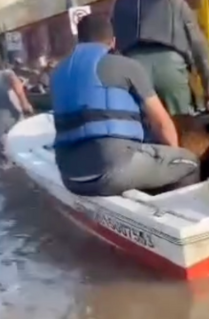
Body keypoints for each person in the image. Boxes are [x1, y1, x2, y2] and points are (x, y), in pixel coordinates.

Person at [50, 13, 200, 197]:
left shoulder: (57, 73)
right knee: (189, 163)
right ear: (113, 42)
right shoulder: (127, 66)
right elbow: (162, 124)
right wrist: (172, 158)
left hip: (70, 178)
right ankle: (168, 215)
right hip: (112, 171)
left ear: (79, 41)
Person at [111, 0, 209, 116]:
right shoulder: (174, 0)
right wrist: (208, 87)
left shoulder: (117, 5)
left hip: (133, 69)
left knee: (141, 126)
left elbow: (109, 44)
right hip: (172, 67)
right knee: (181, 126)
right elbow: (198, 44)